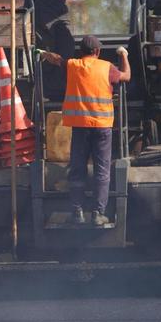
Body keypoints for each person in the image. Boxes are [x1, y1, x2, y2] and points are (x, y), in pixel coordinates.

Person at [42, 35, 131, 227]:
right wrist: (123, 54)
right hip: (102, 127)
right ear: (97, 52)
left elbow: (57, 59)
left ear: (80, 51)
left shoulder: (73, 65)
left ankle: (77, 212)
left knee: (77, 169)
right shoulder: (107, 67)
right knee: (102, 170)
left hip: (80, 127)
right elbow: (126, 76)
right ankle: (98, 214)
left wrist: (43, 53)